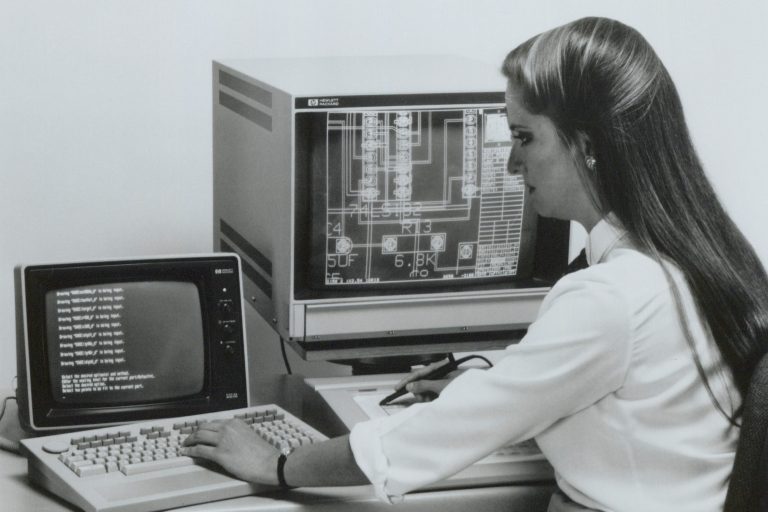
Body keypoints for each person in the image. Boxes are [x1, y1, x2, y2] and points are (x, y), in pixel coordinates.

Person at [181, 17, 768, 511]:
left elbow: (432, 439)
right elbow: (593, 374)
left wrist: (278, 463)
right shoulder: (689, 256)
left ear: (587, 144)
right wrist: (490, 378)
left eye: (525, 137)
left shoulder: (610, 298)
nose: (512, 164)